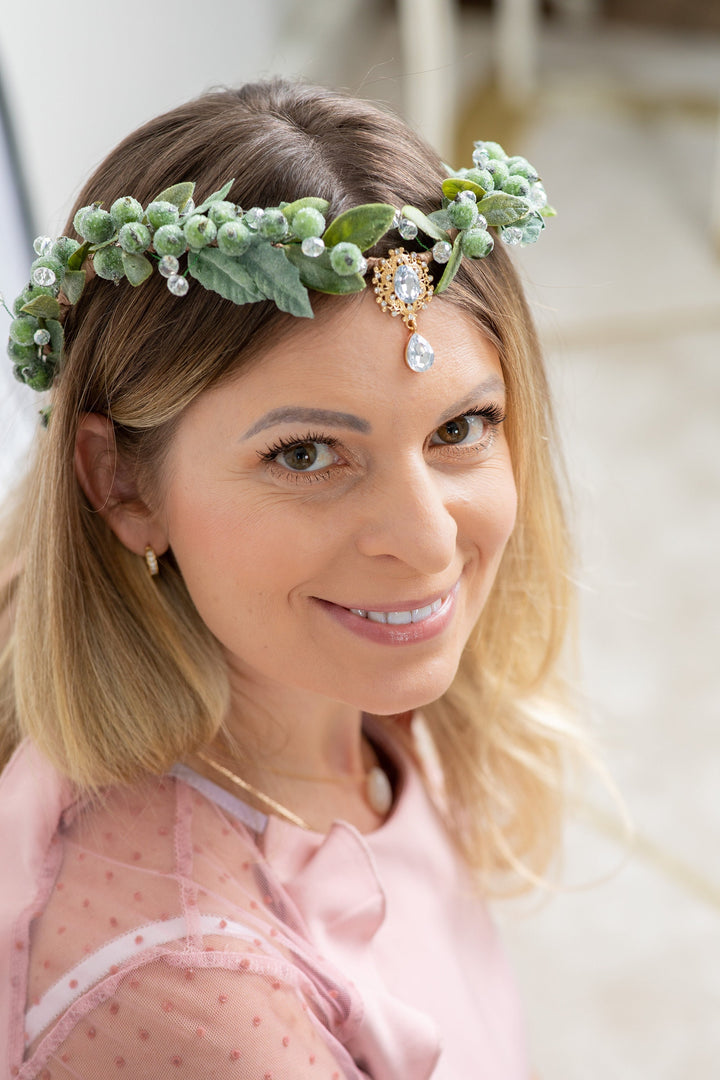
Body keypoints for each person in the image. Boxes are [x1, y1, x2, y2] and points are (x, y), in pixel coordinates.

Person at [0, 79, 577, 1079]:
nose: (428, 540)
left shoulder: (354, 698)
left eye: (460, 428)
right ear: (120, 483)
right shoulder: (198, 997)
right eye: (307, 455)